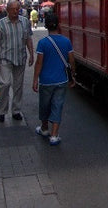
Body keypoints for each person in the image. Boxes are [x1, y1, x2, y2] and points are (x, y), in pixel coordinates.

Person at [33, 13, 75, 146]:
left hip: (45, 81)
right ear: (59, 25)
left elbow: (39, 63)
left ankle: (44, 128)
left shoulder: (42, 43)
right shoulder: (66, 41)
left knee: (45, 105)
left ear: (45, 26)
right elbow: (71, 60)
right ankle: (54, 135)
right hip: (61, 80)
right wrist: (72, 75)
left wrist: (35, 79)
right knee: (57, 105)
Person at [0, 0, 34, 122]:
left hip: (20, 58)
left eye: (18, 9)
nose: (16, 11)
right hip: (5, 58)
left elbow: (28, 39)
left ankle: (16, 110)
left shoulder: (25, 22)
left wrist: (31, 54)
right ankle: (2, 111)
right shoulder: (0, 24)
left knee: (18, 86)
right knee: (5, 84)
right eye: (13, 9)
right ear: (8, 10)